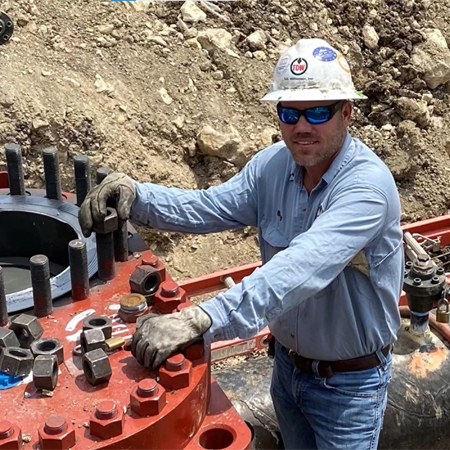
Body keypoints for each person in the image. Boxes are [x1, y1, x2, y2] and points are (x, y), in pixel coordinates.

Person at [79, 38, 403, 450]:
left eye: (318, 112)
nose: (302, 127)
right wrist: (136, 195)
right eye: (290, 112)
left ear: (347, 113)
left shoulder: (366, 189)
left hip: (348, 389)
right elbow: (206, 207)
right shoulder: (273, 166)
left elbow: (299, 267)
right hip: (286, 370)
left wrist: (201, 319)